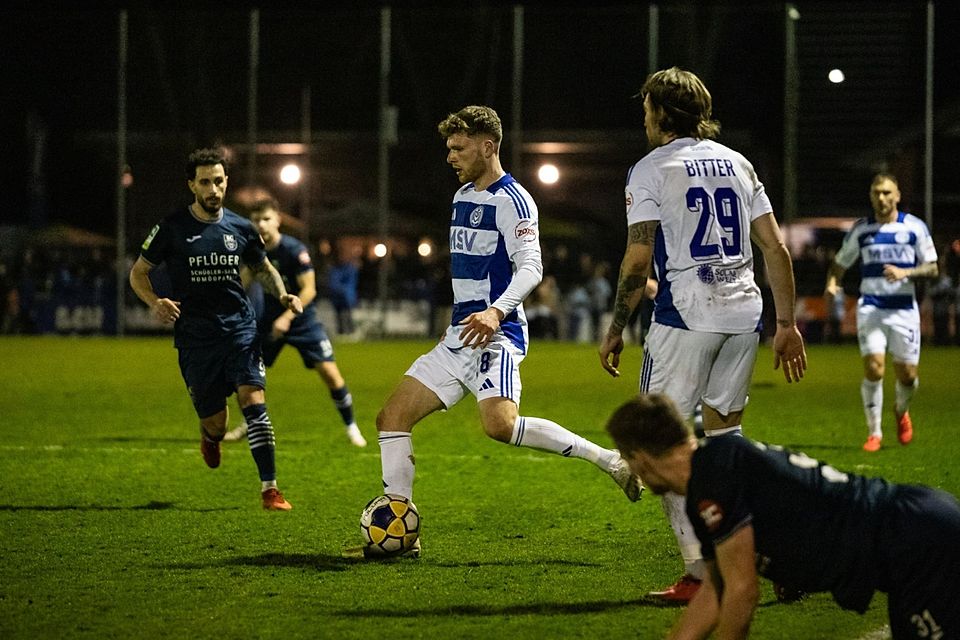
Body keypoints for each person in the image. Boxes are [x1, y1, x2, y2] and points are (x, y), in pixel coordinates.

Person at [361, 105, 642, 557]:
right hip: (459, 337)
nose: (450, 157)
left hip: (497, 333)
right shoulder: (461, 197)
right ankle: (402, 532)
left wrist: (495, 312)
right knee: (391, 418)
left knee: (499, 425)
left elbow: (532, 267)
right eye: (448, 148)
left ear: (487, 146)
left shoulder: (515, 201)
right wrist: (457, 323)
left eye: (458, 148)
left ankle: (610, 461)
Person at [598, 67, 807, 602]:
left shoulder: (650, 169)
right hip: (743, 317)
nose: (643, 118)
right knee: (725, 443)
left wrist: (616, 326)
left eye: (646, 109)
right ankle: (777, 548)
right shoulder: (738, 163)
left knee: (656, 444)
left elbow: (638, 255)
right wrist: (786, 325)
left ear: (662, 114)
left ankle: (700, 572)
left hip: (685, 318)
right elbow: (775, 249)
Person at [606, 392, 960, 639]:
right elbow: (718, 589)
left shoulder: (715, 474)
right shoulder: (708, 479)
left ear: (641, 456)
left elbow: (743, 591)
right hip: (911, 539)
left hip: (918, 541)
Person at [129, 148, 302, 511]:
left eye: (219, 181)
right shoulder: (172, 228)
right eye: (205, 182)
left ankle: (270, 489)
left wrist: (284, 294)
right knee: (217, 424)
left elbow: (262, 267)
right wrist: (156, 301)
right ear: (191, 185)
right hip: (196, 339)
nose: (213, 189)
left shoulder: (241, 228)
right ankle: (210, 437)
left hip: (240, 330)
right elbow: (138, 273)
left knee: (253, 401)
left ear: (227, 183)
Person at [221, 197, 367, 448]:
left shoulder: (294, 249)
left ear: (277, 219)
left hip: (302, 321)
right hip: (268, 321)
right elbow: (241, 284)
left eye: (266, 219)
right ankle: (250, 423)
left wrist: (287, 317)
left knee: (331, 374)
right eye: (256, 221)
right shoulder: (254, 251)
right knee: (244, 374)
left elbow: (309, 290)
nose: (261, 225)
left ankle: (352, 428)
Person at [824, 173, 938, 452]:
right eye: (877, 192)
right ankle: (874, 433)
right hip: (871, 307)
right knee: (874, 369)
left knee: (908, 376)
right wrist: (831, 284)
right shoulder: (861, 230)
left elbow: (933, 268)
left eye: (887, 192)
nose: (882, 198)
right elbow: (840, 263)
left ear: (898, 195)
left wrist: (906, 272)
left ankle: (901, 410)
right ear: (871, 196)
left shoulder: (915, 228)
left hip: (903, 311)